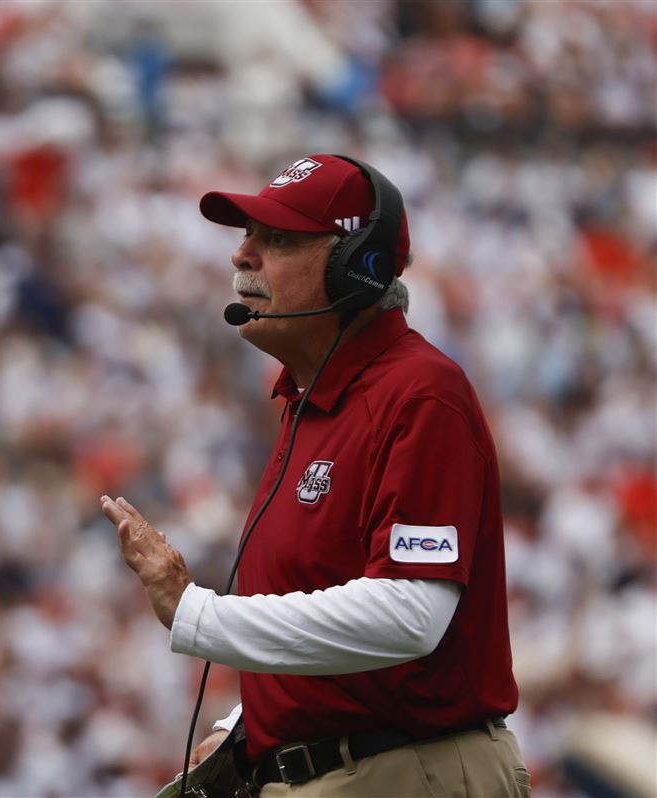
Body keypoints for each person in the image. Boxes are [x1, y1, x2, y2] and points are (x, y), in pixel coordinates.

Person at [102, 154, 531, 797]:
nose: (242, 256)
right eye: (248, 236)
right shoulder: (309, 398)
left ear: (358, 266)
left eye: (277, 239)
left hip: (409, 773)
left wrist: (199, 615)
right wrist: (248, 721)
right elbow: (327, 600)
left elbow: (411, 613)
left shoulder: (419, 392)